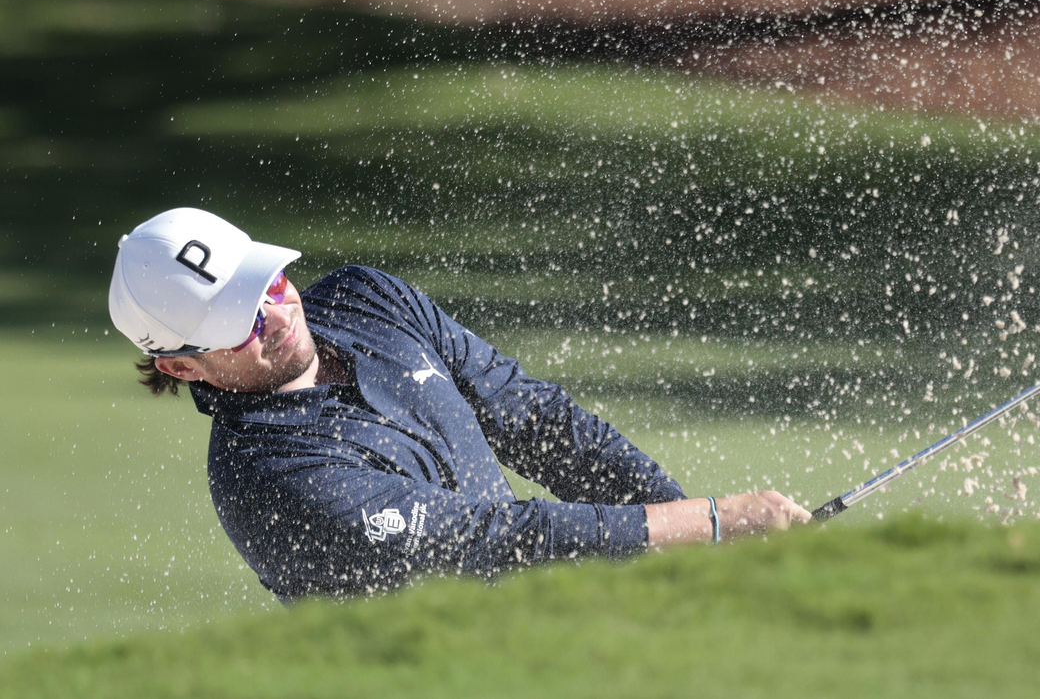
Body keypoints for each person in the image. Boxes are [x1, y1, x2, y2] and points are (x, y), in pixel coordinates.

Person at [108, 207, 809, 601]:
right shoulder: (269, 481)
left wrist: (701, 555)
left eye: (269, 283)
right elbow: (495, 544)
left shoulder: (366, 298)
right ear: (179, 365)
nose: (277, 312)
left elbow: (538, 421)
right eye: (243, 320)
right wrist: (713, 522)